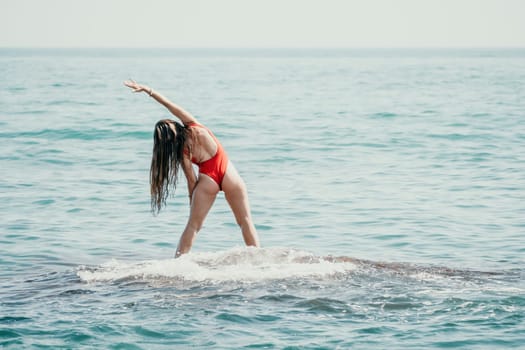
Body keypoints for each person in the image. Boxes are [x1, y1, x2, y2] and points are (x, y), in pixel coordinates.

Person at [124, 80, 260, 257]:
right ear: (174, 125)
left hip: (207, 180)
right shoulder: (192, 124)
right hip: (228, 173)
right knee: (245, 220)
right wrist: (149, 90)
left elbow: (191, 180)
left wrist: (193, 202)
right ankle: (258, 258)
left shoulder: (183, 152)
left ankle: (178, 262)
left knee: (193, 226)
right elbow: (169, 104)